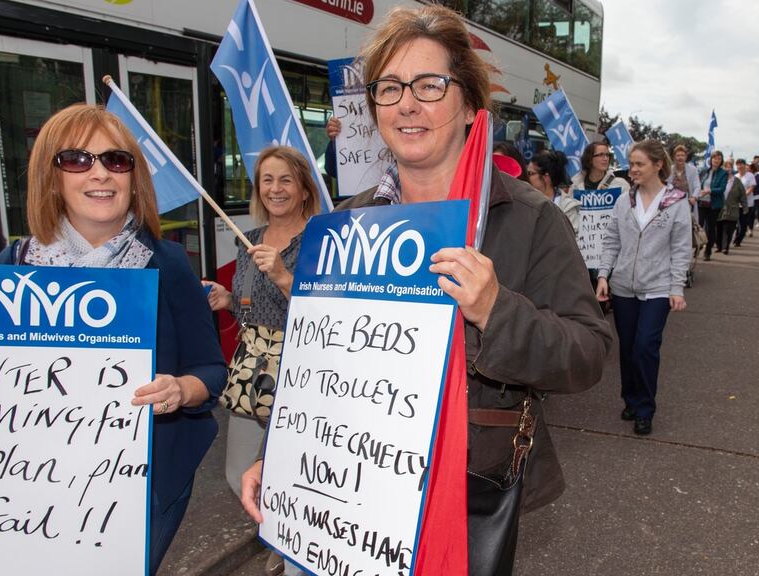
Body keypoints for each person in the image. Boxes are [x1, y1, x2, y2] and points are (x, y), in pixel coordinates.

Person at [238, 7, 612, 574]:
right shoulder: (346, 221)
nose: (407, 104)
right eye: (389, 88)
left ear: (467, 104)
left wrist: (495, 310)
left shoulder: (528, 218)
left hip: (462, 493)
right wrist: (279, 453)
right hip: (345, 481)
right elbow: (312, 359)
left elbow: (587, 355)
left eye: (429, 85)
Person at [0, 104, 226, 575]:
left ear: (133, 178)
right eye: (77, 159)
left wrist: (181, 390)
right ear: (50, 176)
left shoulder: (168, 264)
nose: (100, 172)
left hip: (147, 484)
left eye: (116, 160)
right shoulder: (14, 264)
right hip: (35, 481)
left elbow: (211, 370)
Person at [200, 145, 319, 576]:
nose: (275, 188)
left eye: (285, 179)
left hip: (302, 376)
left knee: (296, 476)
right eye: (267, 180)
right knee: (238, 473)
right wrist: (228, 298)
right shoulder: (245, 238)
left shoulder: (322, 240)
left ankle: (296, 548)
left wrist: (286, 277)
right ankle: (280, 531)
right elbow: (251, 307)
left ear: (304, 189)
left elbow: (330, 315)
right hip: (253, 374)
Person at [596, 140, 692, 435]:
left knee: (646, 346)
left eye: (639, 164)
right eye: (631, 163)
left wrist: (677, 287)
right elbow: (612, 239)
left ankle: (645, 408)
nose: (632, 169)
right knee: (628, 348)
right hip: (624, 286)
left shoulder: (675, 202)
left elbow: (681, 248)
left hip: (658, 288)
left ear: (657, 165)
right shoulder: (625, 200)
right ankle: (630, 398)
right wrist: (603, 275)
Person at [528, 149, 580, 234]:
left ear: (546, 177)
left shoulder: (567, 207)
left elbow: (571, 240)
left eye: (531, 173)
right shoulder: (525, 201)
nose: (527, 177)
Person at [698, 151, 728, 261]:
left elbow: (722, 189)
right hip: (701, 203)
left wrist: (709, 191)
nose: (716, 160)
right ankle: (698, 246)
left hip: (714, 205)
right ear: (711, 160)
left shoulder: (723, 173)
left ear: (721, 161)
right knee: (698, 226)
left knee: (710, 228)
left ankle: (708, 251)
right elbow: (698, 184)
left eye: (719, 158)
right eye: (714, 158)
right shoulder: (704, 171)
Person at [718, 160, 748, 254]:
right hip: (719, 209)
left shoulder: (737, 181)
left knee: (729, 229)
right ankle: (720, 245)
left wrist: (745, 207)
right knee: (719, 229)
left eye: (729, 167)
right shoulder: (718, 179)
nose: (727, 169)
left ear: (732, 168)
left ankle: (725, 247)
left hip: (733, 209)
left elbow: (743, 195)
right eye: (725, 167)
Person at [668, 144, 701, 219]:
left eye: (682, 155)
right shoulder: (669, 170)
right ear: (674, 157)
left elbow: (697, 186)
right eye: (678, 155)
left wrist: (694, 197)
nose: (680, 157)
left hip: (688, 204)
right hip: (672, 204)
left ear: (686, 157)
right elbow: (666, 185)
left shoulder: (693, 170)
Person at [732, 159, 756, 247]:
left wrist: (743, 196)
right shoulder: (735, 176)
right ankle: (736, 240)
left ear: (745, 165)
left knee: (743, 224)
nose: (740, 166)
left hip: (747, 204)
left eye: (741, 164)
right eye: (738, 165)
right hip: (736, 204)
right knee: (737, 224)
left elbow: (751, 188)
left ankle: (738, 239)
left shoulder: (750, 176)